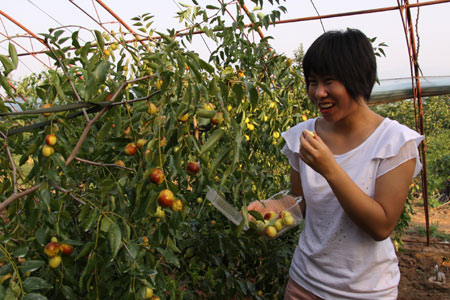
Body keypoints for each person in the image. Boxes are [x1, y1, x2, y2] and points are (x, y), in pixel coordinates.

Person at [249, 28, 424, 299]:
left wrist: (330, 169)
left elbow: (381, 226)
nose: (318, 93)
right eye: (312, 81)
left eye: (329, 81)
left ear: (358, 79)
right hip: (304, 283)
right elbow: (300, 203)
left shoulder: (394, 143)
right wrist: (268, 212)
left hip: (366, 291)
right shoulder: (303, 137)